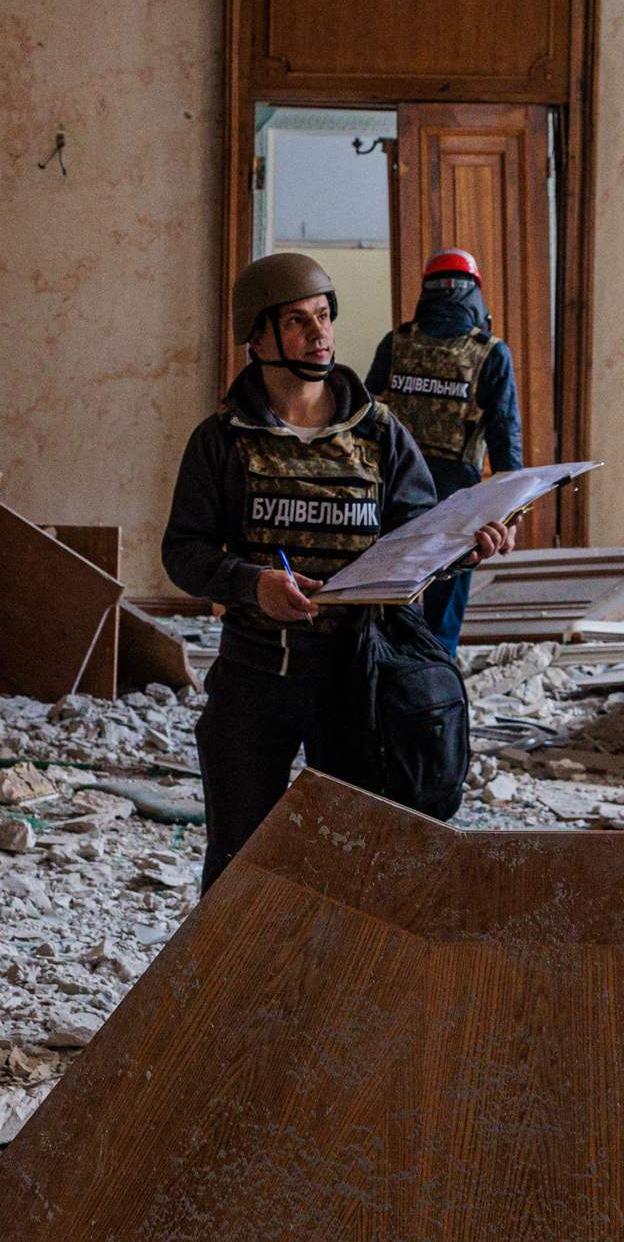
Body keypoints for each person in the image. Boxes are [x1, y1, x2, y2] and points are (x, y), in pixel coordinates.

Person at [162, 251, 513, 886]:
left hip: (359, 681)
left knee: (358, 870)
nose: (319, 334)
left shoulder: (378, 434)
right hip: (256, 677)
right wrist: (254, 585)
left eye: (324, 317)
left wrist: (467, 545)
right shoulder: (221, 440)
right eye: (297, 321)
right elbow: (183, 552)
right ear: (258, 336)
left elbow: (417, 536)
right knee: (238, 867)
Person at [365, 247, 524, 650]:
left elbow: (363, 421)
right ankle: (434, 696)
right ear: (475, 293)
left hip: (391, 495)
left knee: (388, 604)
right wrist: (512, 513)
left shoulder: (395, 343)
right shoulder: (491, 353)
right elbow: (506, 438)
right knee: (441, 621)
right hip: (458, 501)